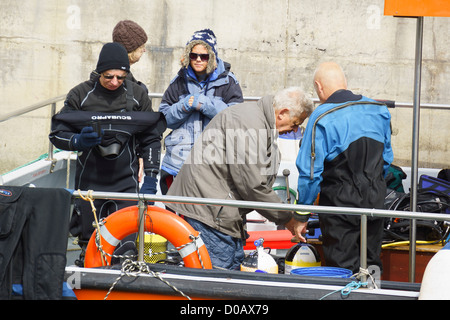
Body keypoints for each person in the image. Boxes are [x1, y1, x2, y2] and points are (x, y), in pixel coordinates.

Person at [166, 87, 313, 270]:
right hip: (209, 212)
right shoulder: (250, 123)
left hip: (217, 209)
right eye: (296, 123)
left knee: (231, 268)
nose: (295, 130)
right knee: (218, 277)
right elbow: (252, 184)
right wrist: (288, 218)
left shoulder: (256, 120)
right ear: (282, 113)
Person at [49, 42, 166, 266]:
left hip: (125, 185)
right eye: (108, 76)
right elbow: (56, 133)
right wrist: (78, 141)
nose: (114, 82)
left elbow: (151, 138)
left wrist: (151, 177)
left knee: (126, 249)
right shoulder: (81, 94)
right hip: (90, 184)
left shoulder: (137, 95)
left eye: (121, 77)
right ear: (99, 71)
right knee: (89, 246)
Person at [295, 62, 394, 273]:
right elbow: (386, 160)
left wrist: (301, 215)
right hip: (375, 198)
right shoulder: (379, 110)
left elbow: (310, 175)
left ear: (318, 87)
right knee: (371, 263)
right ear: (345, 82)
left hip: (339, 203)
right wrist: (374, 185)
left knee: (342, 269)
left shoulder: (320, 117)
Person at [158, 29, 244, 195]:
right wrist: (184, 105)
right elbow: (164, 119)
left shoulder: (229, 82)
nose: (198, 60)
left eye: (203, 56)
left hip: (214, 165)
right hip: (178, 163)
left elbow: (237, 119)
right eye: (193, 55)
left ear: (212, 56)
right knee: (175, 217)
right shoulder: (178, 81)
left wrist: (204, 104)